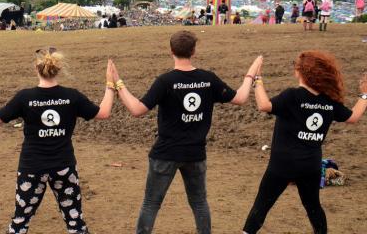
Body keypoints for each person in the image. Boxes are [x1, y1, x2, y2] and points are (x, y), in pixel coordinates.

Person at [111, 30, 261, 234]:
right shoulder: (208, 79)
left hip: (166, 153)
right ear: (194, 51)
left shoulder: (165, 81)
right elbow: (241, 98)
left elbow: (137, 109)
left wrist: (118, 84)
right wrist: (251, 75)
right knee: (199, 203)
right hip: (195, 154)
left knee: (151, 204)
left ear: (171, 51)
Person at [0, 48, 115, 234]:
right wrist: (111, 84)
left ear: (36, 69)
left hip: (31, 168)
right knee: (75, 221)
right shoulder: (71, 96)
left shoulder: (25, 97)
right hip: (64, 166)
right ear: (58, 69)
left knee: (20, 221)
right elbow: (104, 113)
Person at [242, 51, 367, 234]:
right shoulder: (328, 101)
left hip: (282, 164)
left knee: (262, 205)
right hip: (310, 165)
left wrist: (258, 79)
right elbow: (353, 117)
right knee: (313, 206)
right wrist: (364, 95)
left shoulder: (292, 96)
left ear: (301, 72)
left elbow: (264, 105)